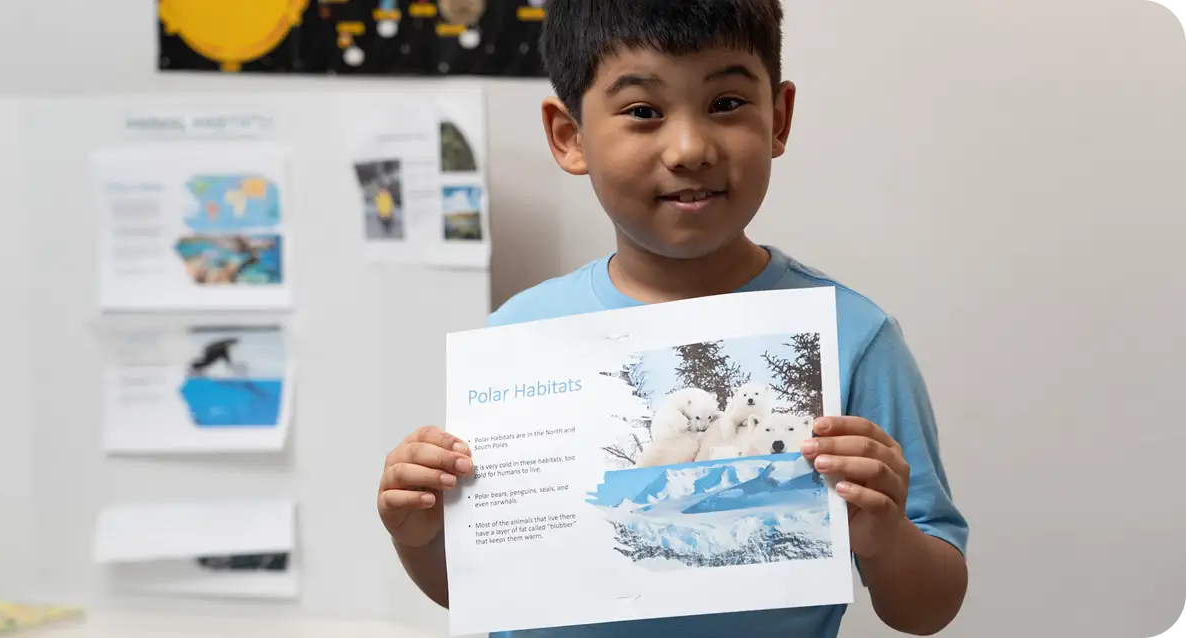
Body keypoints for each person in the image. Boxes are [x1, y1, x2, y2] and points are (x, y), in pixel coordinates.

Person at [376, 0, 970, 635]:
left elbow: (928, 606)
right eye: (643, 112)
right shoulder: (518, 336)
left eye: (726, 103)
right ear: (569, 136)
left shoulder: (853, 335)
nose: (689, 149)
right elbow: (481, 586)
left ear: (780, 117)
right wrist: (417, 535)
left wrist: (884, 534)